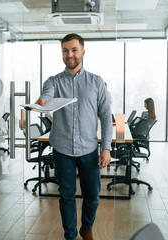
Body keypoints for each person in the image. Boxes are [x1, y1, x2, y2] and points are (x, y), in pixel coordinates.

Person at [35, 33, 112, 240]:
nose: (70, 54)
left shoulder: (97, 82)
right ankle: (70, 236)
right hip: (62, 150)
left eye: (74, 50)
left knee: (92, 196)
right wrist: (43, 100)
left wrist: (106, 148)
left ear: (83, 52)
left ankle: (86, 228)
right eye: (65, 50)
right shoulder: (53, 81)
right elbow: (47, 94)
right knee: (66, 197)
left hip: (89, 149)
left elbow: (105, 117)